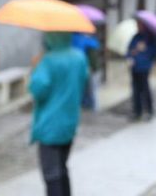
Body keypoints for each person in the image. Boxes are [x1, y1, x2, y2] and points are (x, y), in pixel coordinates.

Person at [29, 31, 89, 196]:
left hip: (50, 126)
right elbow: (84, 81)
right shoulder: (79, 57)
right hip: (69, 123)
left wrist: (35, 70)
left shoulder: (48, 61)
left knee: (51, 174)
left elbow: (38, 90)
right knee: (61, 169)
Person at [125, 20, 156, 121]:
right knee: (135, 90)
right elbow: (129, 50)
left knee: (145, 89)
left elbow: (155, 52)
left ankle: (149, 110)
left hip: (144, 67)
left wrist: (146, 50)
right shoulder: (135, 37)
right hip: (134, 66)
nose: (138, 26)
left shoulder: (150, 38)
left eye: (140, 25)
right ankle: (137, 111)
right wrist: (130, 56)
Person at [71, 32, 101, 111]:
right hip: (87, 68)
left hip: (78, 68)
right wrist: (93, 68)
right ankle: (92, 106)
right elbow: (93, 58)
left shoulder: (73, 39)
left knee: (83, 88)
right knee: (91, 89)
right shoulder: (89, 40)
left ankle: (86, 104)